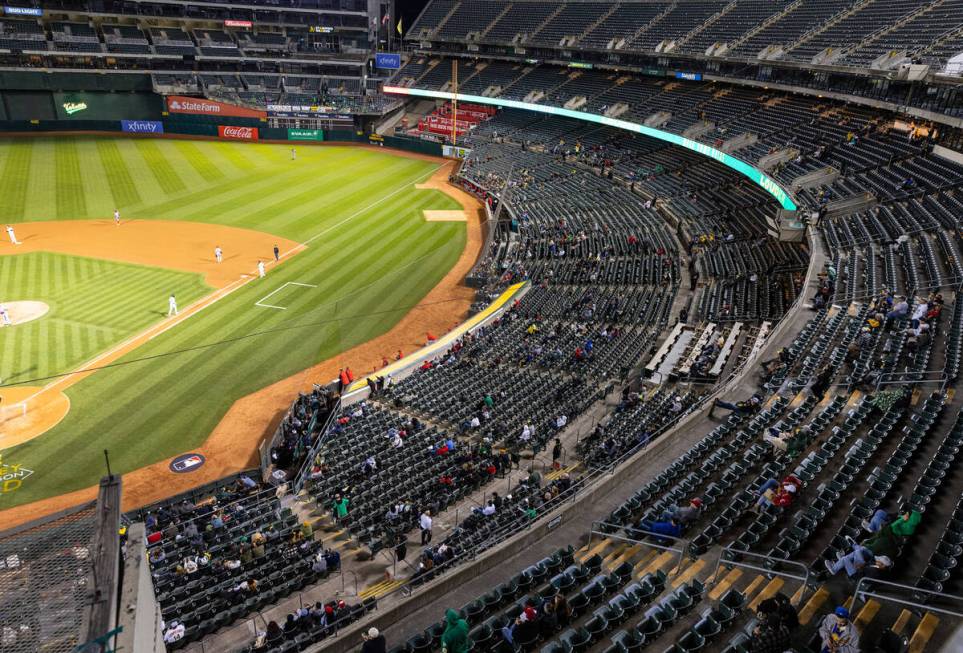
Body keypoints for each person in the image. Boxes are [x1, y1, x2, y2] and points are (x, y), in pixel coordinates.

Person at [823, 543, 892, 578]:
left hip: (856, 574)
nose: (878, 561)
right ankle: (852, 547)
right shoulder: (878, 567)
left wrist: (860, 565)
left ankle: (834, 570)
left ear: (883, 566)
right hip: (860, 568)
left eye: (880, 562)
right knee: (858, 551)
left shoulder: (876, 570)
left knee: (845, 558)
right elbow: (868, 564)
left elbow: (863, 569)